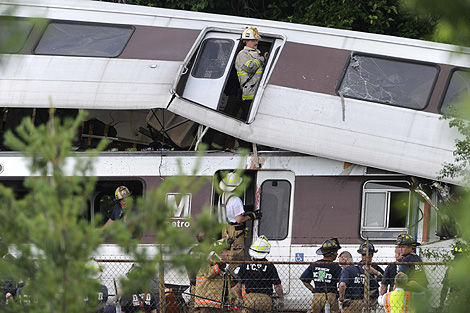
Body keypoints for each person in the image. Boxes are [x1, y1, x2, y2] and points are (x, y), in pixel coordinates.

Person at [218, 172, 261, 261]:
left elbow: (229, 210)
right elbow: (239, 219)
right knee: (236, 256)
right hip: (235, 232)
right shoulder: (236, 200)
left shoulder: (222, 196)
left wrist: (244, 208)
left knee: (226, 256)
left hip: (224, 230)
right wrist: (252, 216)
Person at [236, 235, 283, 313]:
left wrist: (239, 298)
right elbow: (277, 286)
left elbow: (238, 284)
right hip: (265, 299)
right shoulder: (269, 266)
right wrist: (281, 299)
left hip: (249, 299)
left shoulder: (245, 265)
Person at [300, 238, 342, 313]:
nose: (337, 254)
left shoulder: (315, 265)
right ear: (331, 253)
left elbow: (304, 280)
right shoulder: (336, 267)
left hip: (317, 296)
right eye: (336, 252)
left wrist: (313, 290)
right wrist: (339, 293)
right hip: (331, 296)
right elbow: (342, 283)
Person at [234, 27, 268, 121]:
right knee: (247, 119)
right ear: (246, 41)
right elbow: (250, 68)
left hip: (256, 92)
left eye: (256, 40)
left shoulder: (257, 54)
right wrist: (262, 59)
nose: (256, 42)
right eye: (253, 40)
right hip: (249, 94)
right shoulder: (243, 54)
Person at [194, 239, 234, 313]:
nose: (228, 253)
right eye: (226, 251)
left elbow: (226, 284)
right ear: (219, 253)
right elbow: (208, 274)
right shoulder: (207, 262)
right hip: (207, 302)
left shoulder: (224, 265)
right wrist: (219, 266)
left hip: (219, 303)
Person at [339, 243, 378, 313]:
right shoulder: (361, 269)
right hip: (362, 301)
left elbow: (342, 285)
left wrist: (341, 299)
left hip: (351, 302)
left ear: (344, 260)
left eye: (341, 263)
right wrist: (365, 296)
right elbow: (376, 285)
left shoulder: (347, 270)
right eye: (363, 255)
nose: (341, 266)